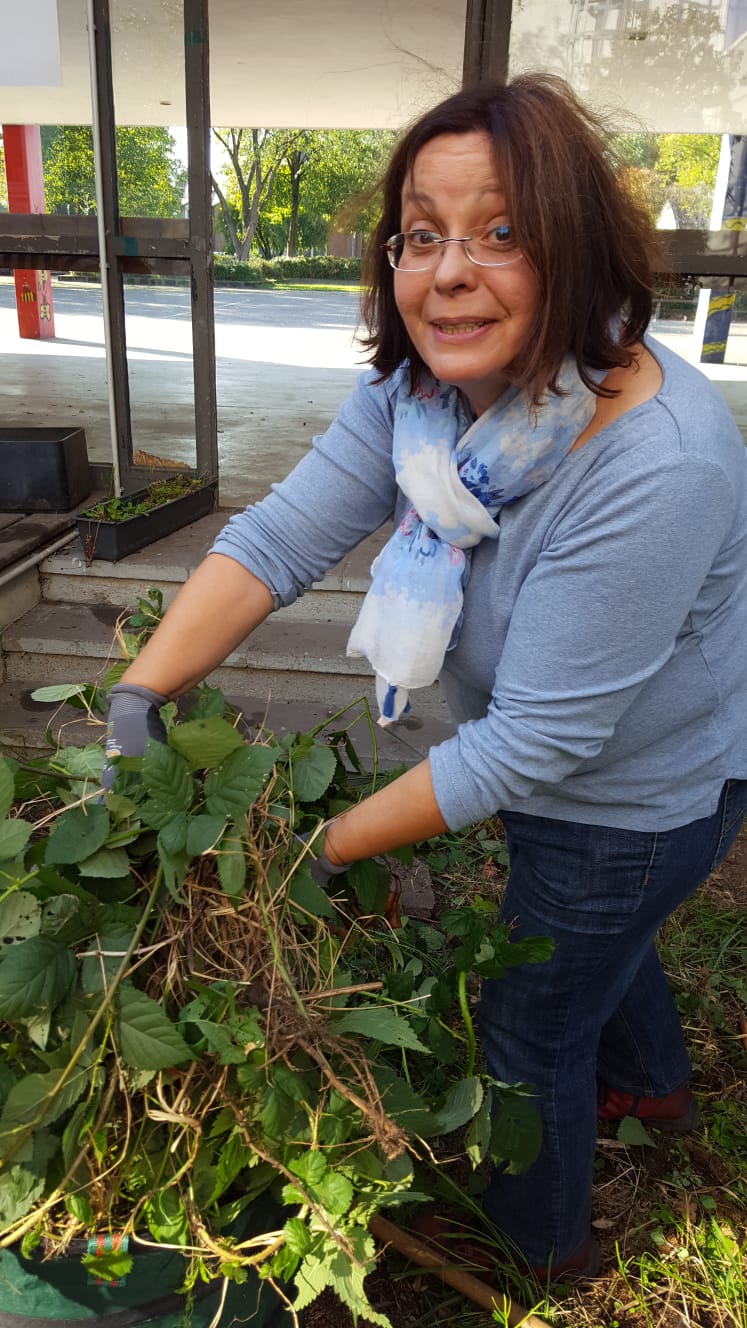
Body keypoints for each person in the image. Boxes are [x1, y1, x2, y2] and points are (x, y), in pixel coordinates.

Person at [105, 74, 747, 1277]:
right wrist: (138, 694)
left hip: (638, 794)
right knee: (594, 950)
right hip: (554, 755)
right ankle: (656, 1086)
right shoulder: (421, 401)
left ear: (577, 247)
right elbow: (276, 542)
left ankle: (537, 1252)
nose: (449, 273)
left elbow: (533, 748)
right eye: (421, 233)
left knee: (529, 1021)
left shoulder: (658, 464)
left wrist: (322, 847)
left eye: (501, 233)